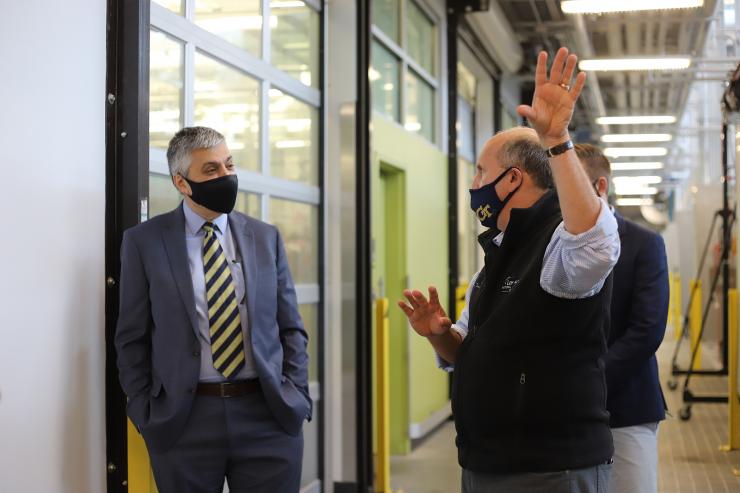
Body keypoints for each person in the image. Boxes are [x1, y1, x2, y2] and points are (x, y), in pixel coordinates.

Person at [398, 47, 620, 492]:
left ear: (513, 179)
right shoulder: (496, 258)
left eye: (481, 172)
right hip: (486, 463)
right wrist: (439, 333)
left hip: (549, 469)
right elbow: (467, 351)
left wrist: (557, 139)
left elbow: (594, 247)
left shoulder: (558, 241)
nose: (474, 185)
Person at [115, 126, 311, 492]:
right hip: (183, 421)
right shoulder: (144, 243)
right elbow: (131, 337)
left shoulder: (265, 238)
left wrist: (295, 394)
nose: (226, 176)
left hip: (267, 414)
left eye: (229, 165)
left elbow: (291, 327)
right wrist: (145, 412)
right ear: (181, 182)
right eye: (211, 170)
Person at [575, 143, 669, 493]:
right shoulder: (550, 245)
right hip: (564, 414)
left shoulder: (645, 244)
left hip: (626, 408)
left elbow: (646, 330)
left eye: (572, 183)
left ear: (601, 187)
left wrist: (587, 381)